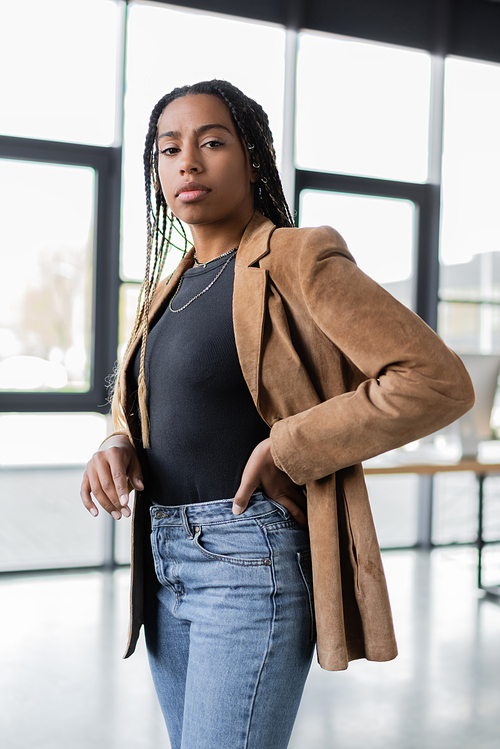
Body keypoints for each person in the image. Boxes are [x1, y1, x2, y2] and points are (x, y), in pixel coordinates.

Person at [80, 80, 474, 749]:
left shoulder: (296, 256)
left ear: (252, 155)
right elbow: (156, 399)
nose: (188, 163)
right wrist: (118, 438)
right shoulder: (170, 284)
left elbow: (435, 380)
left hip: (247, 560)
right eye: (169, 149)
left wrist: (288, 446)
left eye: (212, 142)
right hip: (164, 561)